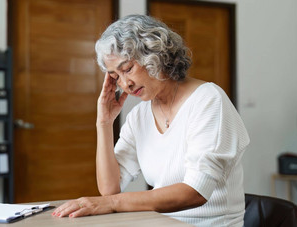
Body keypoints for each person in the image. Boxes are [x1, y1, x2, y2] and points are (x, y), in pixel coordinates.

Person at [52, 14, 250, 226]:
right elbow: (109, 188)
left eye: (127, 69)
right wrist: (104, 123)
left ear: (154, 55)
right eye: (115, 76)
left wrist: (113, 203)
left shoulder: (208, 100)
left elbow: (195, 192)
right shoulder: (139, 116)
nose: (125, 83)